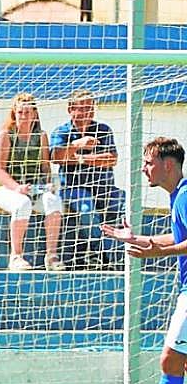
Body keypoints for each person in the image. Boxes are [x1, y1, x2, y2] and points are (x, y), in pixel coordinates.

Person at [102, 137, 187, 384]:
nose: (143, 168)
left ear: (167, 164)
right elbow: (179, 236)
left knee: (171, 361)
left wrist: (156, 251)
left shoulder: (185, 196)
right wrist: (141, 239)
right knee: (175, 362)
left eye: (148, 162)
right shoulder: (179, 195)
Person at [0, 92, 66, 272]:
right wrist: (17, 187)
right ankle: (16, 256)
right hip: (6, 188)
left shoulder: (41, 136)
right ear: (14, 113)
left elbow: (45, 167)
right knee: (22, 204)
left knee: (53, 202)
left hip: (33, 187)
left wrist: (48, 185)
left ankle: (51, 256)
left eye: (28, 112)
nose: (24, 116)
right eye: (20, 112)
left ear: (35, 113)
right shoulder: (6, 134)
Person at [49, 89, 125, 269]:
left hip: (104, 187)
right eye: (82, 108)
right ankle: (99, 254)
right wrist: (78, 145)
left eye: (90, 108)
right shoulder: (62, 131)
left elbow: (112, 159)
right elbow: (56, 156)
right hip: (73, 188)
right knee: (86, 208)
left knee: (125, 203)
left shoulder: (103, 129)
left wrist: (80, 158)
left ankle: (118, 256)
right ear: (71, 109)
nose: (87, 113)